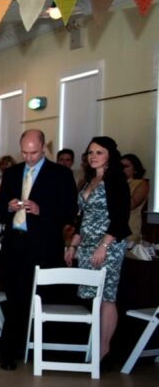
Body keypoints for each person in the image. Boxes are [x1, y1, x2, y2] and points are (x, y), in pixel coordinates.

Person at [0, 130, 77, 370]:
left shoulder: (60, 174)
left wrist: (43, 211)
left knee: (29, 297)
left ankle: (12, 349)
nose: (28, 157)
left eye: (33, 152)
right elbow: (0, 206)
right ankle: (15, 346)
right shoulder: (12, 172)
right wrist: (8, 206)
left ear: (43, 148)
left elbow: (69, 210)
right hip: (13, 243)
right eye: (24, 152)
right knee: (15, 297)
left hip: (41, 244)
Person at [65, 137, 130, 363]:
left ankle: (104, 350)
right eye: (91, 152)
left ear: (110, 155)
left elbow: (121, 218)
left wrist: (103, 246)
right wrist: (73, 245)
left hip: (109, 244)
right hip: (87, 243)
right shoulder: (89, 181)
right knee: (93, 296)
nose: (94, 156)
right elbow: (82, 218)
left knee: (106, 296)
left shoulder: (115, 180)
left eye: (99, 152)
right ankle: (94, 345)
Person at [122, 153, 149, 243]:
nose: (122, 169)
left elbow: (131, 205)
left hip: (130, 228)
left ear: (135, 169)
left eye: (126, 166)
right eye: (120, 166)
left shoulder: (141, 184)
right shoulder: (111, 183)